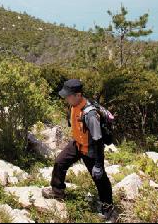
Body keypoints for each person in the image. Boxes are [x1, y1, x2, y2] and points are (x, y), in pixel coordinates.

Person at [42, 78, 114, 219]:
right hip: (77, 144)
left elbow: (98, 141)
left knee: (99, 178)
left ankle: (108, 205)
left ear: (78, 95)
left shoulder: (90, 114)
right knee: (60, 162)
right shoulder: (74, 104)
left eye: (68, 95)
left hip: (91, 149)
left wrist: (99, 164)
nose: (66, 98)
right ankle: (58, 192)